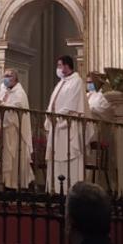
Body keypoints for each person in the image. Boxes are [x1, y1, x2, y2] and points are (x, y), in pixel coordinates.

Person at [45, 54, 85, 193]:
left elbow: (72, 103)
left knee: (69, 157)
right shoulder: (61, 82)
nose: (58, 68)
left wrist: (59, 117)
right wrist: (49, 114)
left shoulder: (76, 81)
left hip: (67, 125)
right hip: (56, 126)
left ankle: (71, 191)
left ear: (67, 66)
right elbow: (53, 102)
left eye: (59, 65)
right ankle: (55, 189)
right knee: (56, 158)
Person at [0, 70, 33, 190]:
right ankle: (5, 183)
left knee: (13, 157)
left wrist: (3, 105)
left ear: (15, 79)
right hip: (6, 129)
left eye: (8, 76)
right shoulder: (5, 91)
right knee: (5, 156)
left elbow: (17, 109)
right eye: (4, 76)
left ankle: (13, 184)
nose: (5, 78)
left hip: (15, 131)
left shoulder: (20, 93)